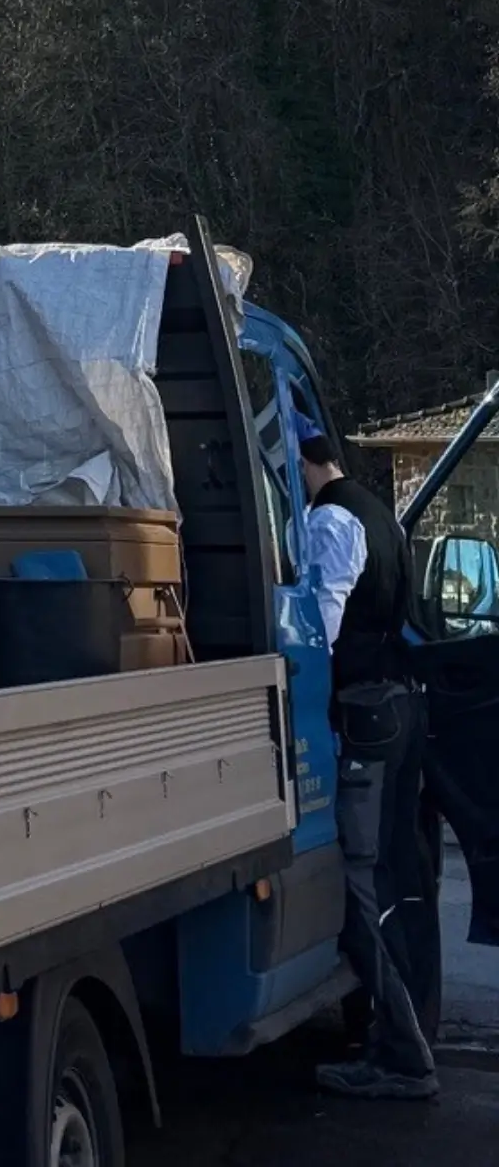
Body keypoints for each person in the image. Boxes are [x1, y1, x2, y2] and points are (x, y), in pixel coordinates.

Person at [298, 415, 438, 1102]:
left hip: (365, 714)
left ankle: (404, 1057)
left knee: (363, 885)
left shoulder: (330, 520)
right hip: (403, 706)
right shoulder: (381, 515)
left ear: (303, 464)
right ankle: (411, 1034)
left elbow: (319, 629)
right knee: (399, 873)